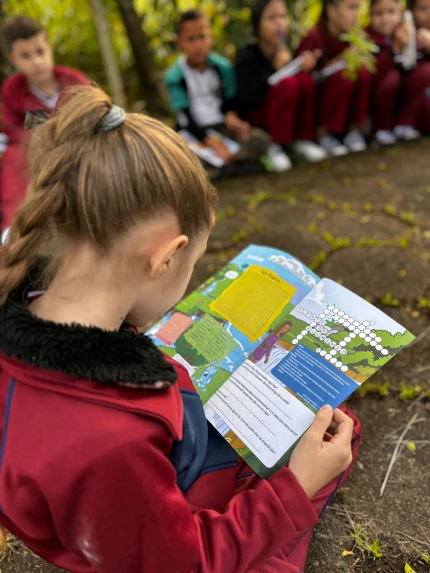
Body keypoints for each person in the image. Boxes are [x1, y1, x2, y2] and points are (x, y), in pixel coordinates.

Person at [0, 85, 361, 573]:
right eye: (191, 264)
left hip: (144, 482)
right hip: (161, 523)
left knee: (321, 427)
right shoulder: (111, 440)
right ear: (166, 256)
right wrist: (294, 490)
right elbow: (185, 562)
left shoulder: (31, 315)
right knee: (337, 436)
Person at [165, 9, 291, 174]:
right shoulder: (175, 77)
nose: (197, 45)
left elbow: (229, 103)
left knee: (260, 139)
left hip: (221, 128)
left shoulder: (223, 67)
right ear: (180, 43)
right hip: (194, 132)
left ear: (211, 38)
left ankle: (222, 169)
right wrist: (211, 142)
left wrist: (234, 119)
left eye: (202, 37)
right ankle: (238, 166)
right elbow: (185, 120)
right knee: (179, 155)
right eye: (190, 39)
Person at [0, 15, 90, 236]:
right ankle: (14, 227)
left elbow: (93, 112)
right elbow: (13, 130)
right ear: (13, 59)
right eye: (26, 56)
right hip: (34, 155)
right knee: (13, 156)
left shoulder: (74, 80)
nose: (36, 61)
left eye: (40, 51)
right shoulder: (12, 89)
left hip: (80, 148)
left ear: (49, 47)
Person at [235, 0, 327, 164]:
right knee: (288, 84)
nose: (279, 23)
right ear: (257, 25)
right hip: (259, 119)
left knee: (305, 81)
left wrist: (305, 66)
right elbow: (248, 97)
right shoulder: (247, 55)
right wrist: (275, 71)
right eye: (271, 18)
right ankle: (273, 145)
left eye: (283, 16)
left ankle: (300, 139)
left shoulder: (286, 49)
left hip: (282, 116)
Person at [296, 0, 372, 157]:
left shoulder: (355, 37)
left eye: (358, 8)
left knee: (362, 72)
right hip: (319, 109)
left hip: (345, 111)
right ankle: (324, 135)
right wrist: (339, 62)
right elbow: (305, 79)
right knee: (344, 75)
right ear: (331, 11)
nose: (356, 15)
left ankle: (354, 131)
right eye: (351, 8)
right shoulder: (314, 38)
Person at [366, 0, 404, 145]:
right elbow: (373, 70)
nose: (385, 19)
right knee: (391, 79)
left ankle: (405, 125)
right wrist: (393, 50)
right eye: (379, 13)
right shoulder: (366, 37)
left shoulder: (406, 31)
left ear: (400, 12)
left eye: (391, 12)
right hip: (376, 98)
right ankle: (380, 129)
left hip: (400, 97)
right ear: (370, 15)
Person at [396, 0, 430, 135]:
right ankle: (405, 124)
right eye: (423, 9)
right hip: (408, 90)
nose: (429, 14)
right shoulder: (403, 30)